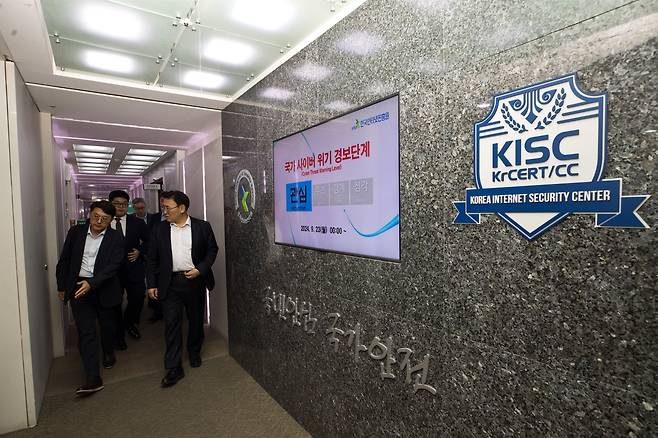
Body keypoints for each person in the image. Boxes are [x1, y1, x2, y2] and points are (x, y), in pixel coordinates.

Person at [147, 191, 218, 387]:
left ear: (182, 208)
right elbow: (151, 258)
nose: (164, 211)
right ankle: (174, 366)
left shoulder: (202, 227)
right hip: (169, 283)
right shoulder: (159, 229)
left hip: (194, 281)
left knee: (195, 320)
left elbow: (212, 250)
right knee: (171, 323)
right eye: (163, 207)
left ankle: (194, 352)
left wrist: (201, 269)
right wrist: (151, 284)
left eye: (167, 207)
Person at [56, 200, 124, 395]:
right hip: (79, 288)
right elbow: (64, 260)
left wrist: (92, 283)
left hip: (105, 287)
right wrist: (62, 286)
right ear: (90, 214)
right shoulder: (76, 232)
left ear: (111, 220)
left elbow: (114, 265)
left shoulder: (116, 237)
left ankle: (108, 351)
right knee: (86, 332)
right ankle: (93, 377)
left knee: (108, 327)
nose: (99, 221)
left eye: (104, 219)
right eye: (96, 216)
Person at [109, 190, 150, 345]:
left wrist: (140, 251)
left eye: (124, 204)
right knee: (114, 301)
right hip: (111, 271)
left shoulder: (137, 222)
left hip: (134, 267)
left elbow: (149, 241)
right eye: (117, 204)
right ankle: (118, 331)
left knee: (138, 297)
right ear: (110, 204)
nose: (121, 207)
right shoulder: (104, 221)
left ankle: (129, 322)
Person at [145, 191, 170, 322]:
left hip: (171, 260)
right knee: (156, 286)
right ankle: (157, 312)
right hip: (157, 259)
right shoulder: (153, 218)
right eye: (161, 201)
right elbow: (148, 237)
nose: (163, 204)